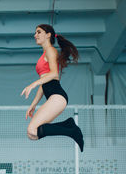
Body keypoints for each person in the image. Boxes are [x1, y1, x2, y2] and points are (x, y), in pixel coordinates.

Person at [21, 24, 84, 152]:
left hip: (57, 96)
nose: (35, 35)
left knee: (32, 130)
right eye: (35, 33)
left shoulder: (51, 50)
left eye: (39, 32)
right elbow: (45, 83)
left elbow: (54, 74)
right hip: (53, 96)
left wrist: (32, 84)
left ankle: (72, 130)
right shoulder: (44, 54)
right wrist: (33, 105)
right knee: (32, 135)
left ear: (48, 35)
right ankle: (68, 125)